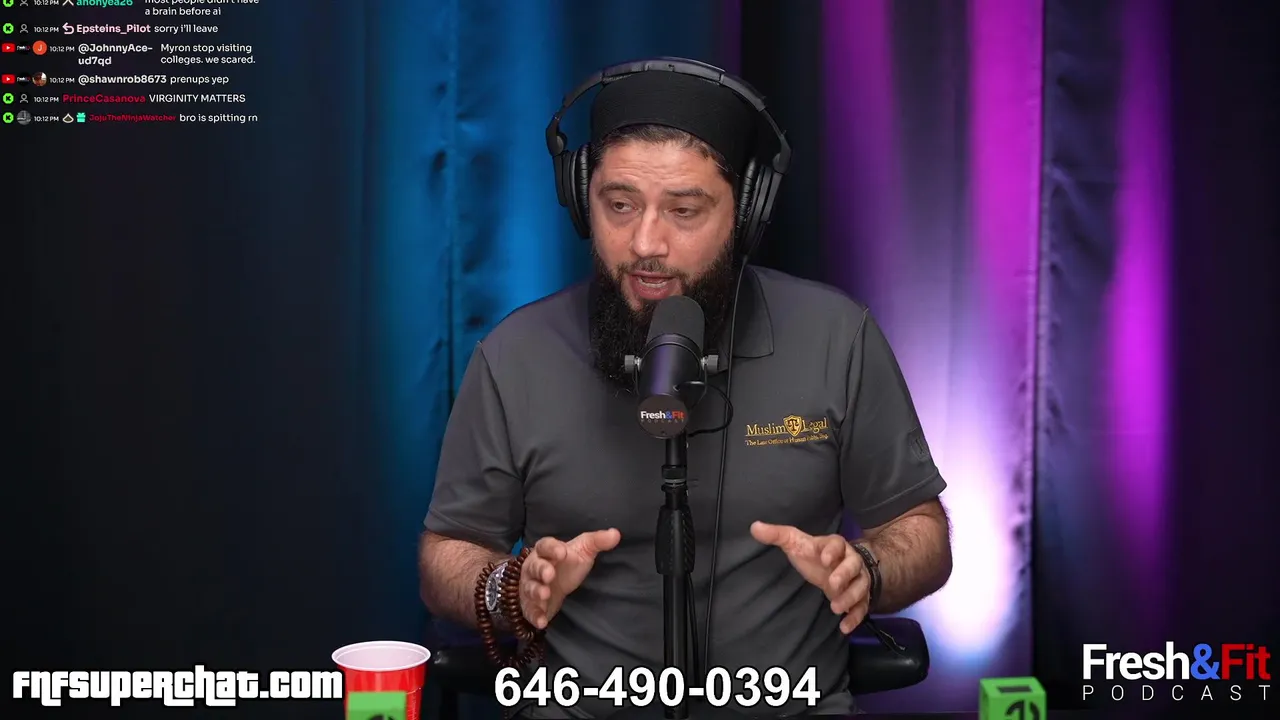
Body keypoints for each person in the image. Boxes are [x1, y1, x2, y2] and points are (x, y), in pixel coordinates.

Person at [419, 59, 952, 718]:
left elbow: (920, 532)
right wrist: (509, 587)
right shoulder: (515, 356)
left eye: (685, 210)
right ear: (582, 198)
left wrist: (868, 570)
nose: (646, 243)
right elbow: (446, 555)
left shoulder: (837, 337)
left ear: (746, 213)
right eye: (619, 205)